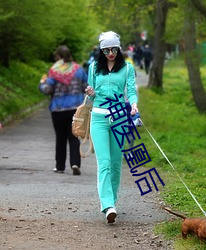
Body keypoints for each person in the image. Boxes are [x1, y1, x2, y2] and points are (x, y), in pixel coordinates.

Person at [85, 31, 138, 223]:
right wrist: (90, 92)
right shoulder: (93, 68)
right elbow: (91, 97)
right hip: (98, 118)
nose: (110, 53)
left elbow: (131, 90)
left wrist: (133, 104)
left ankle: (112, 201)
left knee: (116, 164)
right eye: (106, 50)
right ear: (101, 50)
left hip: (119, 118)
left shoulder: (127, 68)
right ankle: (107, 205)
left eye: (114, 49)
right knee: (104, 163)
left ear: (119, 48)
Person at [39, 45, 88, 175]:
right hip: (75, 109)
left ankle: (60, 166)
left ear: (58, 57)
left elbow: (47, 90)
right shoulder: (79, 70)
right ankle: (75, 163)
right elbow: (86, 87)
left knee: (60, 138)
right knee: (74, 137)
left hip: (58, 109)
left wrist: (42, 83)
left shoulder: (54, 71)